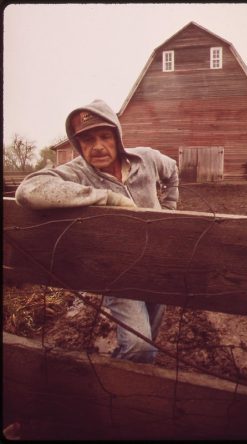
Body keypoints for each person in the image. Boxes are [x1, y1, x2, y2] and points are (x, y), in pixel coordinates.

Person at [15, 99, 179, 364]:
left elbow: (173, 171)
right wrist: (109, 199)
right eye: (88, 140)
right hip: (115, 271)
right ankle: (122, 388)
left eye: (105, 136)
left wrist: (170, 207)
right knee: (140, 348)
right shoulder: (78, 172)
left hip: (156, 263)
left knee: (149, 340)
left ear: (117, 135)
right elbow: (28, 190)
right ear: (78, 144)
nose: (98, 147)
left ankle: (123, 375)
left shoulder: (146, 159)